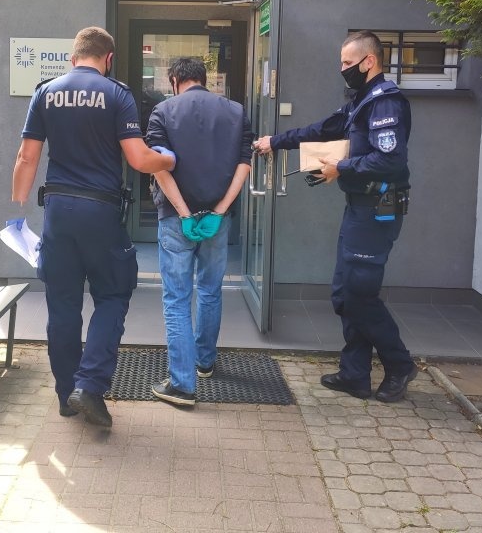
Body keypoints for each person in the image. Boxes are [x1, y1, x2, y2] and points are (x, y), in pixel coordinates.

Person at [12, 26, 176, 427]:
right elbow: (139, 159)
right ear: (109, 58)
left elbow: (26, 157)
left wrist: (19, 203)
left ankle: (66, 395)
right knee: (113, 294)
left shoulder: (46, 92)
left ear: (73, 58)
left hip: (58, 211)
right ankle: (89, 386)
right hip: (101, 212)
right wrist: (168, 159)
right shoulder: (117, 94)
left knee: (62, 304)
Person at [253, 30, 417, 403]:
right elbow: (324, 129)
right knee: (345, 293)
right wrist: (276, 142)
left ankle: (400, 364)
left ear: (369, 61)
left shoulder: (385, 103)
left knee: (359, 293)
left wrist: (339, 167)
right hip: (360, 206)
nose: (342, 69)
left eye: (347, 62)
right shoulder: (361, 101)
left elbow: (390, 160)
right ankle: (355, 375)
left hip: (378, 208)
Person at [145, 57, 253, 407]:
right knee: (210, 290)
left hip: (176, 218)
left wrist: (184, 212)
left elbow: (159, 167)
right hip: (217, 220)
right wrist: (219, 211)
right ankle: (204, 362)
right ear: (204, 80)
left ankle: (182, 384)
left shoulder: (163, 111)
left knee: (177, 298)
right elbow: (244, 164)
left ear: (174, 81)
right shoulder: (236, 112)